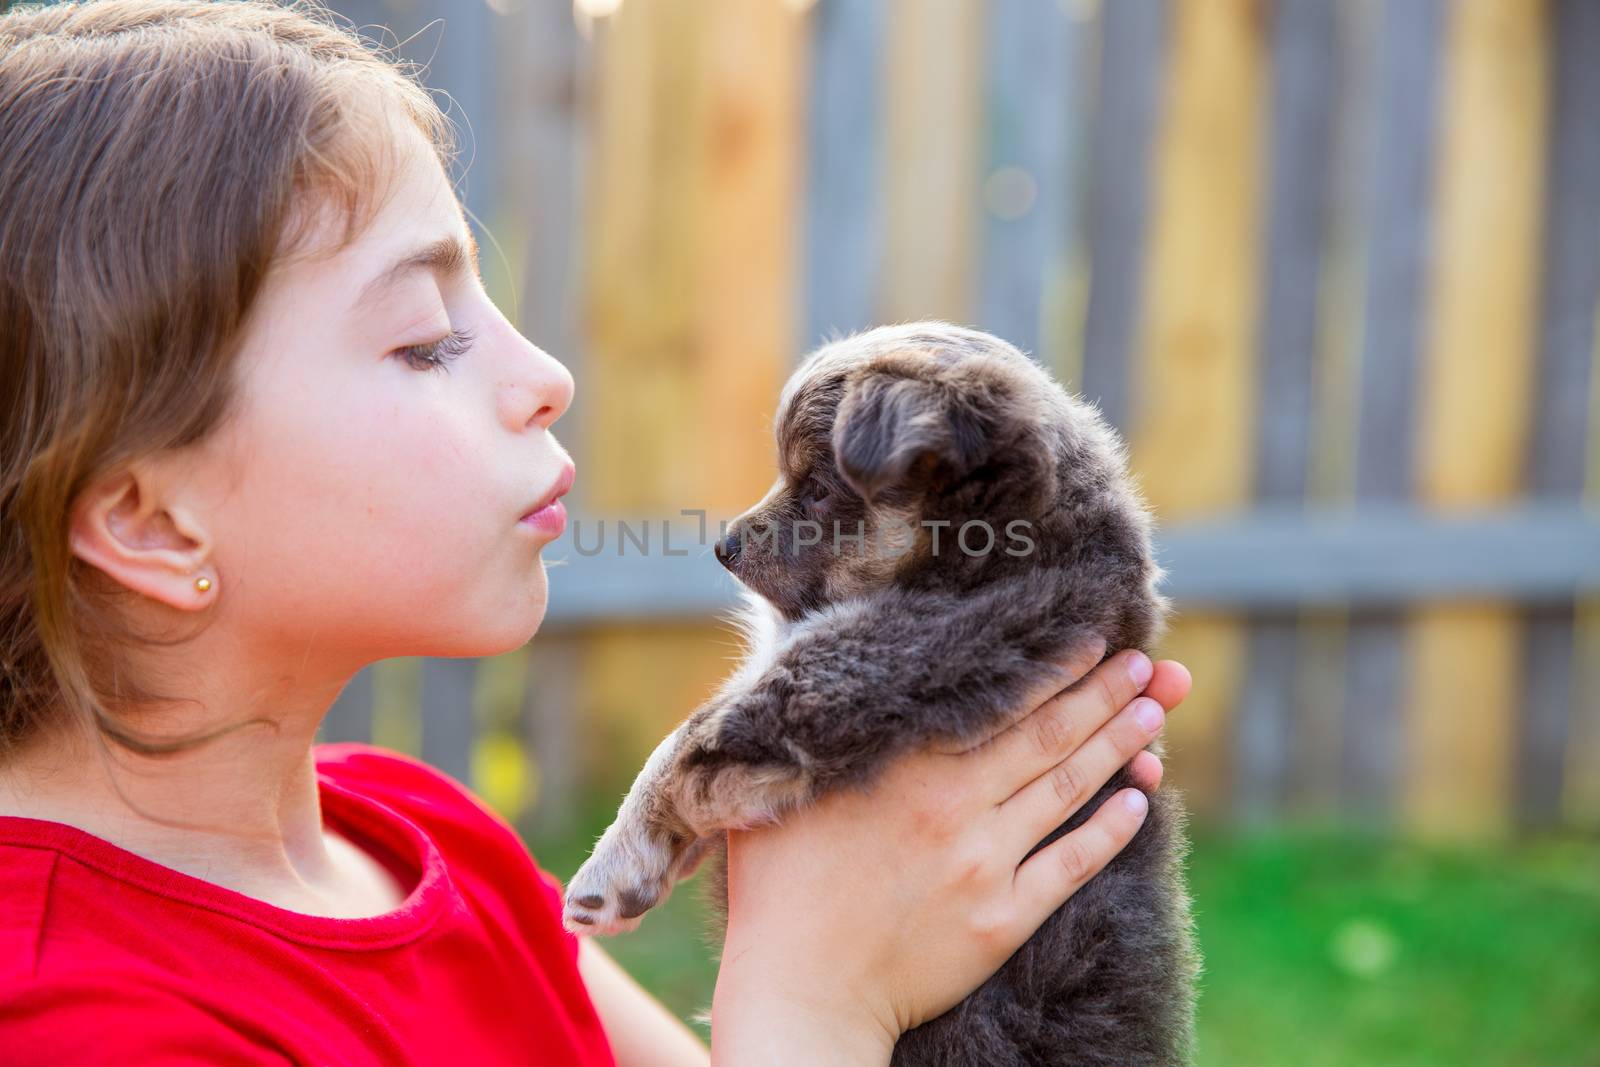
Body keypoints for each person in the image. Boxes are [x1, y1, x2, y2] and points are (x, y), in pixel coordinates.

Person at [0, 2, 1192, 1065]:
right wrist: (811, 1001)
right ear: (151, 522)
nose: (547, 374)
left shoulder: (430, 844)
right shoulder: (77, 1015)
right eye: (423, 339)